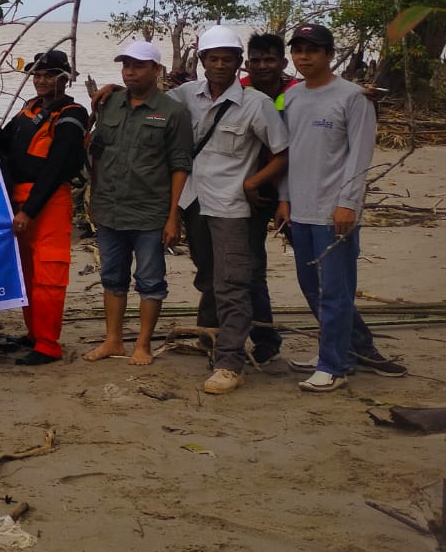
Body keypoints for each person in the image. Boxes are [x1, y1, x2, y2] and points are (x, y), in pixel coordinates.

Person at [276, 23, 407, 391]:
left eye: (313, 50)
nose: (304, 56)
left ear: (330, 55)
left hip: (334, 211)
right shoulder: (294, 96)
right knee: (311, 288)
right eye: (298, 49)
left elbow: (361, 155)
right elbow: (290, 153)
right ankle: (335, 351)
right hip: (298, 210)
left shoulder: (353, 97)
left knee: (336, 290)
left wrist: (348, 203)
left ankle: (333, 365)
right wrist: (284, 198)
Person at [174, 28, 288, 395]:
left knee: (233, 284)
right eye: (213, 58)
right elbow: (147, 100)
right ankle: (209, 339)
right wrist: (111, 92)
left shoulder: (257, 104)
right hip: (194, 202)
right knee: (207, 276)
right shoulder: (186, 96)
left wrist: (254, 183)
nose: (219, 65)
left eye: (227, 58)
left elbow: (283, 153)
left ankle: (229, 362)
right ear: (202, 62)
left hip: (232, 207)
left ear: (239, 63)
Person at [83, 42, 193, 367]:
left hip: (150, 213)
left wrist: (174, 217)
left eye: (139, 66)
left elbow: (180, 166)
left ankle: (142, 344)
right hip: (109, 209)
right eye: (126, 65)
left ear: (156, 71)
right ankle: (113, 340)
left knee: (150, 281)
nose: (130, 71)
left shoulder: (173, 112)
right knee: (112, 278)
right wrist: (94, 196)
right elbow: (99, 154)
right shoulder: (110, 103)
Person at [0, 50, 88, 367]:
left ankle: (49, 345)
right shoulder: (28, 110)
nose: (42, 81)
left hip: (48, 201)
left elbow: (56, 167)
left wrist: (29, 211)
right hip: (18, 200)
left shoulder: (72, 115)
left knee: (49, 274)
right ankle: (34, 333)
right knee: (26, 273)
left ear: (65, 77)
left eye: (49, 75)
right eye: (37, 75)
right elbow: (0, 144)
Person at [238, 32, 299, 362]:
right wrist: (115, 89)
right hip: (251, 190)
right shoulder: (239, 91)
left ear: (282, 63)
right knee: (250, 268)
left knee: (314, 268)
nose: (263, 66)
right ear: (247, 63)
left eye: (270, 60)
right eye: (256, 60)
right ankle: (264, 336)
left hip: (294, 189)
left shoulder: (298, 94)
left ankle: (350, 342)